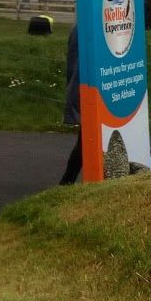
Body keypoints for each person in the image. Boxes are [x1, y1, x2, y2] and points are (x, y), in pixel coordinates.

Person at [59, 29, 82, 185]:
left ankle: (66, 183)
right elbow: (76, 70)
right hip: (91, 95)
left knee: (85, 142)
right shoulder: (83, 31)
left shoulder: (80, 30)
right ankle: (66, 183)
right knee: (86, 141)